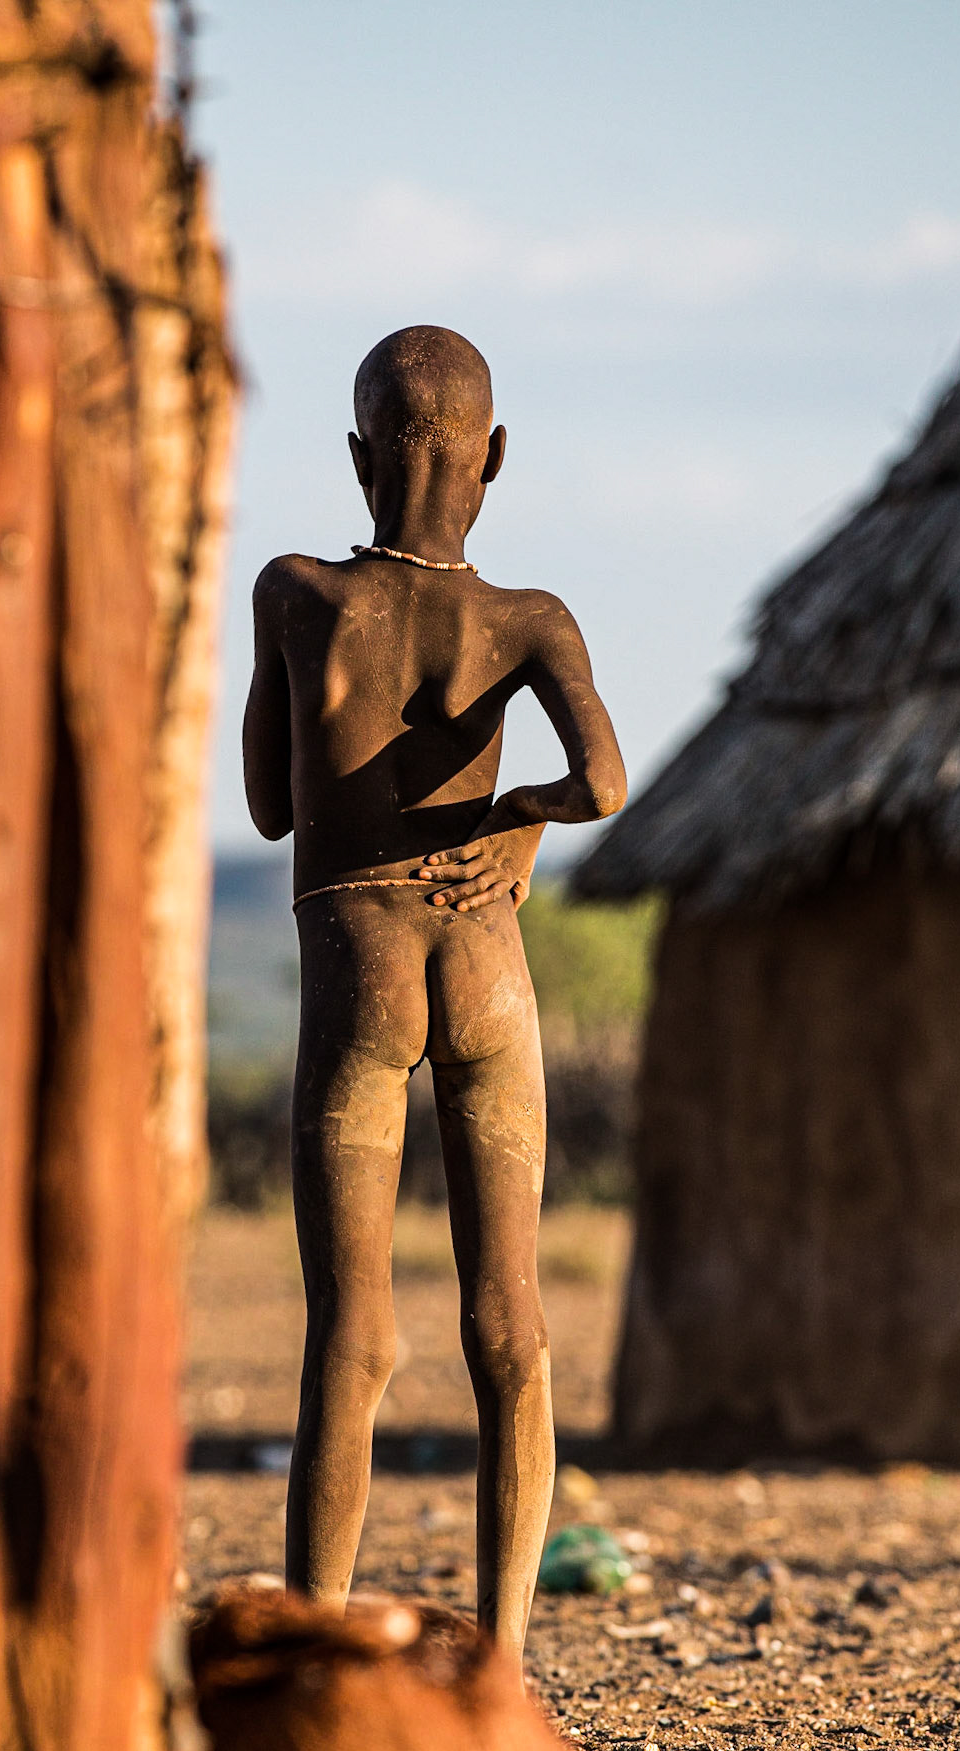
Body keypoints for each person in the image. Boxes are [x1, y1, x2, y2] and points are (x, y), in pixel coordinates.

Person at [243, 325, 626, 1664]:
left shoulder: (295, 595)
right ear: (495, 458)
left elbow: (266, 807)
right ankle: (505, 1668)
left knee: (351, 1339)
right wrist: (512, 813)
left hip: (360, 974)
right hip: (488, 979)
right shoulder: (530, 622)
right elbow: (602, 787)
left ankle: (312, 1654)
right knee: (510, 1329)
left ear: (356, 459)